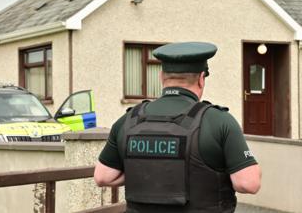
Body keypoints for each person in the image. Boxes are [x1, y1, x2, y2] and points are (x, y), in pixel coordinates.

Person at [94, 42, 261, 213]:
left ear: (161, 77)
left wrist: (152, 173)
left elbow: (103, 176)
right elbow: (248, 183)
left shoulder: (128, 120)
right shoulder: (219, 121)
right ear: (201, 79)